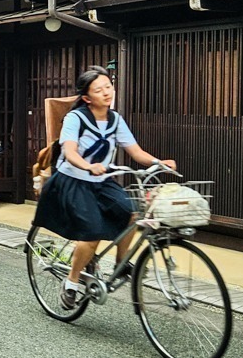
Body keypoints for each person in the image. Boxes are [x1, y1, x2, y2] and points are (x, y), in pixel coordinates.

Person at [31, 66, 175, 310]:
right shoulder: (75, 118)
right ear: (87, 97)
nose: (107, 93)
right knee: (92, 233)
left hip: (101, 181)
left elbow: (135, 152)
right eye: (99, 90)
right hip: (73, 181)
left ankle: (121, 266)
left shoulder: (115, 119)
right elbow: (69, 151)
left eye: (109, 87)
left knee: (131, 214)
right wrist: (88, 166)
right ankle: (72, 282)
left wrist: (158, 162)